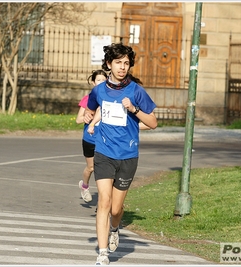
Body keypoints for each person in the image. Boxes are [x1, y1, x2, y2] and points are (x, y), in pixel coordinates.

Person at [84, 43, 157, 265]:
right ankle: (103, 253)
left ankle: (115, 228)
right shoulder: (98, 90)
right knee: (103, 202)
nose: (122, 67)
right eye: (118, 63)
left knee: (116, 208)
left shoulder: (136, 91)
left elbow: (153, 122)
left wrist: (133, 110)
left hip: (128, 155)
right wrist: (91, 120)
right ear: (109, 64)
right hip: (104, 152)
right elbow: (92, 107)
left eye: (126, 63)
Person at [76, 70, 108, 203]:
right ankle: (84, 186)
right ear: (94, 82)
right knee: (91, 168)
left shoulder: (109, 99)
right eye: (98, 80)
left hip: (105, 139)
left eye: (103, 80)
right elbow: (78, 119)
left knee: (105, 170)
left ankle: (104, 199)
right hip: (90, 139)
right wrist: (86, 117)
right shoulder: (88, 99)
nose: (101, 82)